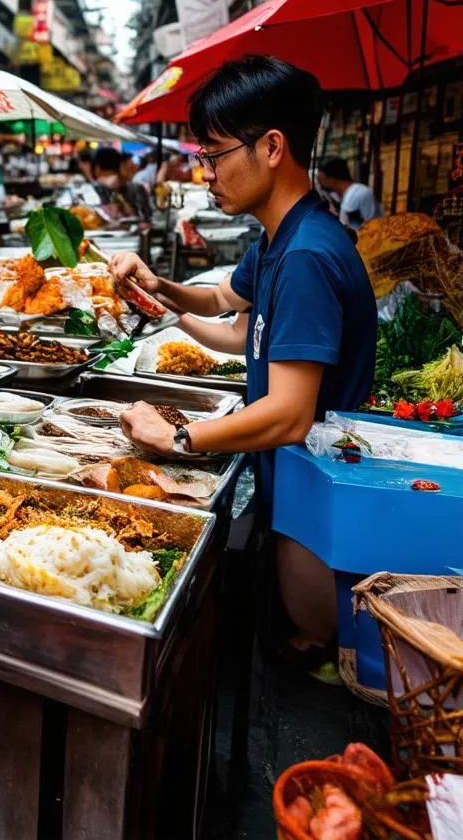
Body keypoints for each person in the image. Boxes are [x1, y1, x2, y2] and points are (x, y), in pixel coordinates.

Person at [109, 56, 376, 675]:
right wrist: (159, 293)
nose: (205, 173)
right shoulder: (281, 237)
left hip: (316, 501)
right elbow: (229, 318)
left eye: (214, 154)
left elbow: (287, 414)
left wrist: (176, 437)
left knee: (308, 666)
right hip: (293, 488)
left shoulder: (307, 257)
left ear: (272, 147)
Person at [317, 157, 381, 230]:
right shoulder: (336, 197)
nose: (319, 180)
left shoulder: (361, 193)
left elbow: (373, 226)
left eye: (321, 176)